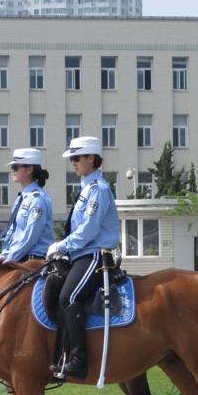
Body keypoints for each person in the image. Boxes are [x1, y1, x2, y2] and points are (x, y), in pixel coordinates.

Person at [46, 136, 119, 379]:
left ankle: (79, 360)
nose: (73, 163)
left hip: (95, 255)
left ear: (91, 158)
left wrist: (61, 245)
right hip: (80, 254)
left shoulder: (98, 190)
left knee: (70, 296)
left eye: (76, 158)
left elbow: (88, 230)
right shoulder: (86, 189)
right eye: (72, 159)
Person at [0, 148, 53, 262]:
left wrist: (10, 258)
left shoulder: (37, 199)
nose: (13, 171)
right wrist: (4, 253)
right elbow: (13, 231)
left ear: (29, 169)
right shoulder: (22, 198)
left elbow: (30, 237)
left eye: (16, 167)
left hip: (33, 260)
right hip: (20, 257)